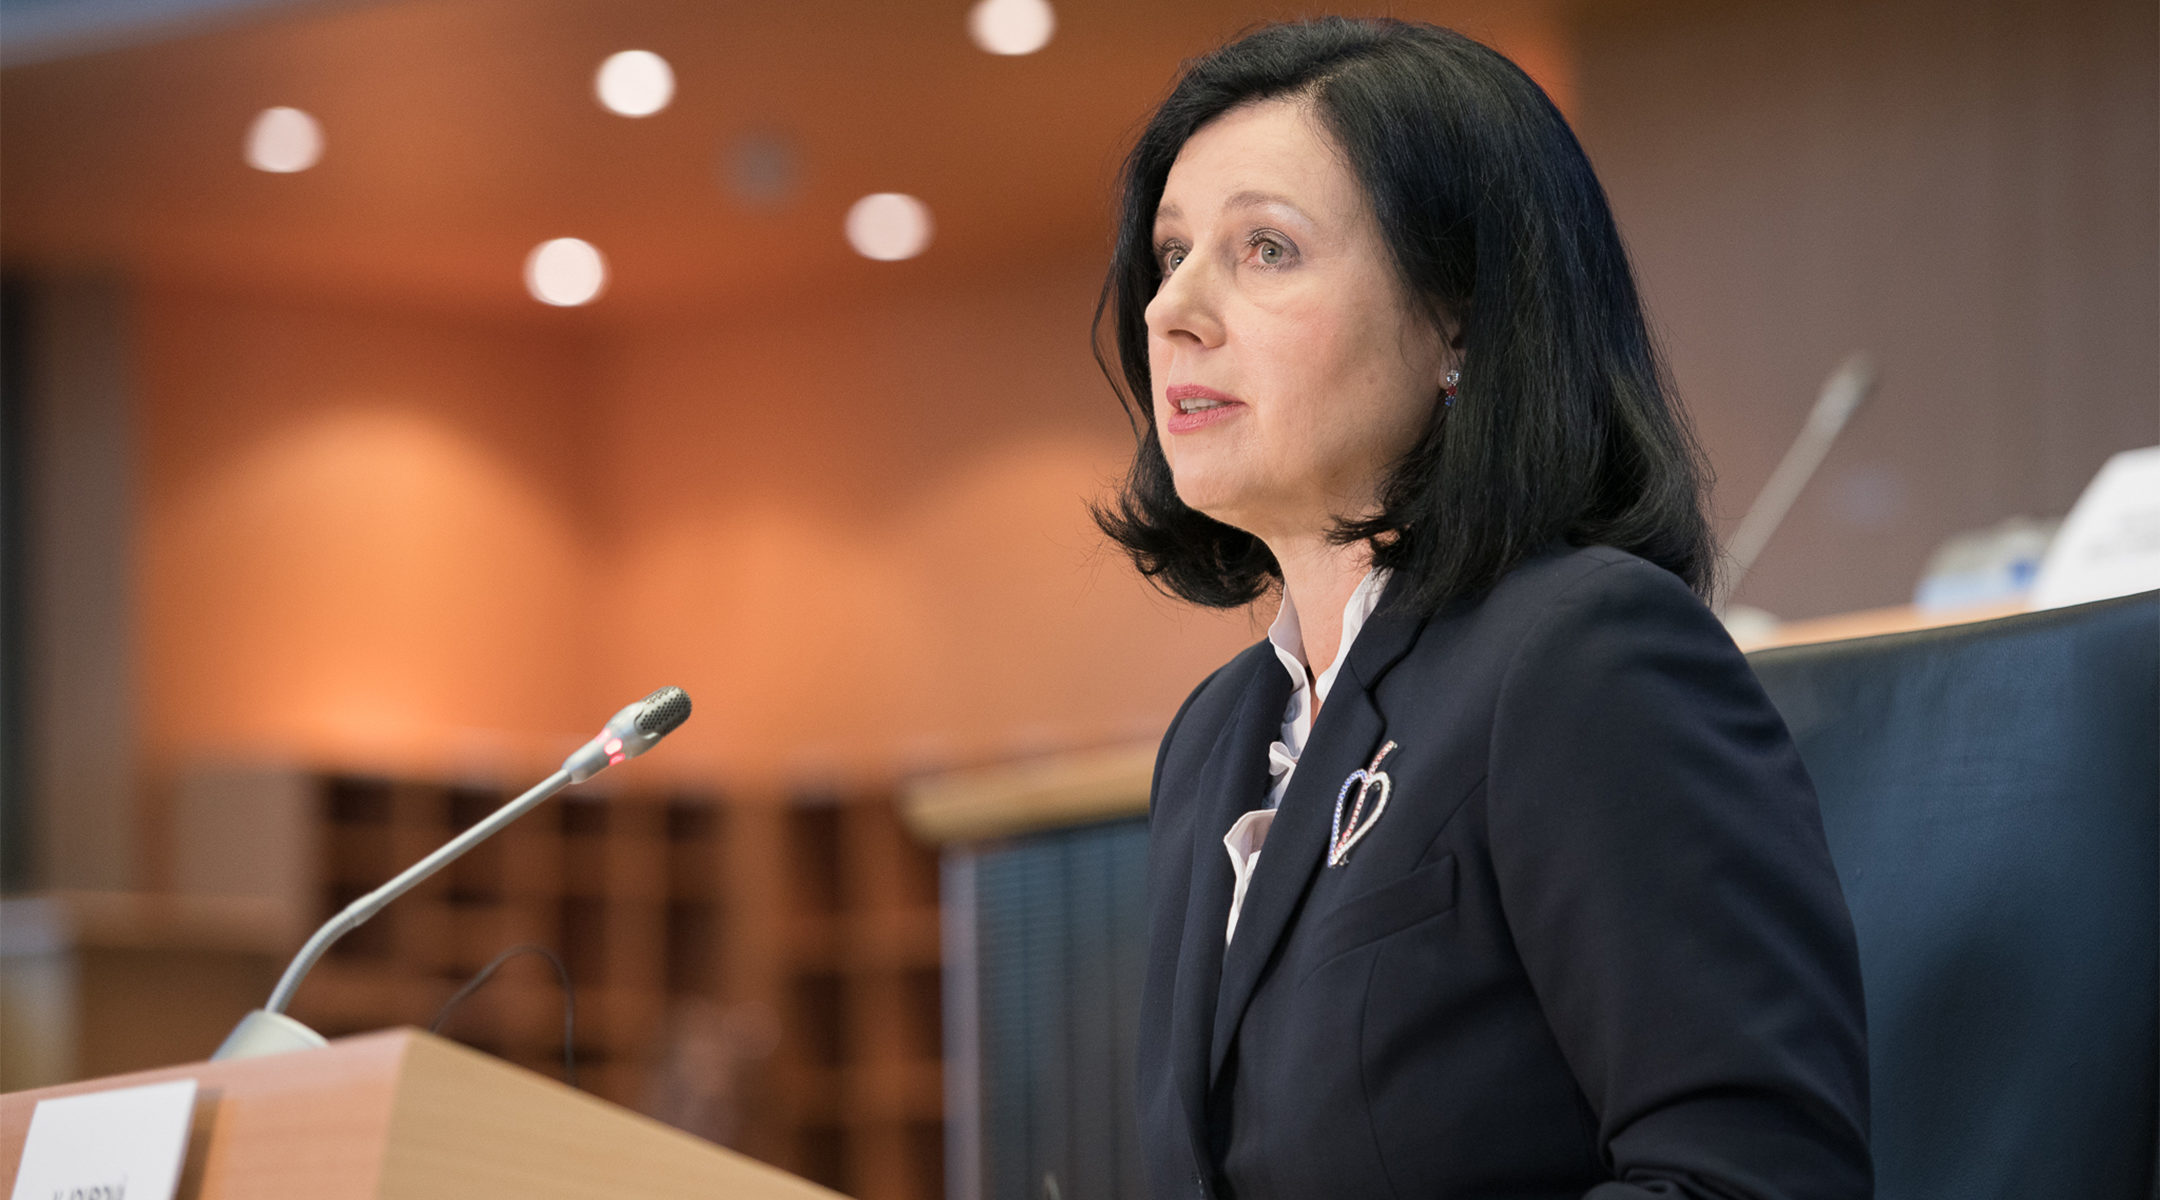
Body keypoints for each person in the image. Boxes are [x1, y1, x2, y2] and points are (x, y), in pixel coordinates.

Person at [1094, 17, 1872, 1200]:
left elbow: (1754, 1182)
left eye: (1265, 249)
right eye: (1172, 252)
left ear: (1461, 316)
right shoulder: (1214, 738)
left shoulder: (1586, 656)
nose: (1171, 310)